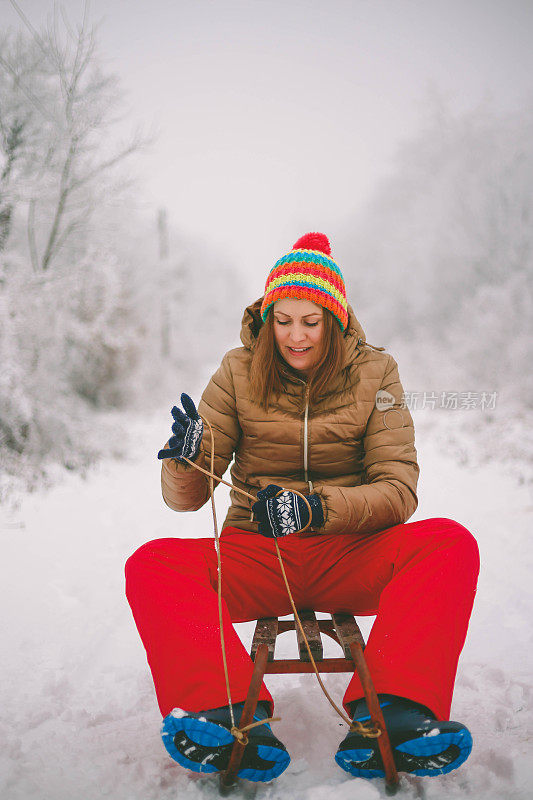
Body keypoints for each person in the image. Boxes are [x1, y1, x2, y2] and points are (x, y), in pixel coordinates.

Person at [125, 232, 480, 784]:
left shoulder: (376, 373)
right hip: (260, 555)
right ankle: (224, 711)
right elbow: (187, 501)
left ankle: (396, 710)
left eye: (310, 321)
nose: (295, 335)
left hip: (349, 552)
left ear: (333, 320)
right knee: (151, 563)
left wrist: (313, 510)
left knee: (449, 541)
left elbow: (398, 490)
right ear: (268, 319)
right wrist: (186, 457)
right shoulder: (237, 371)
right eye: (283, 320)